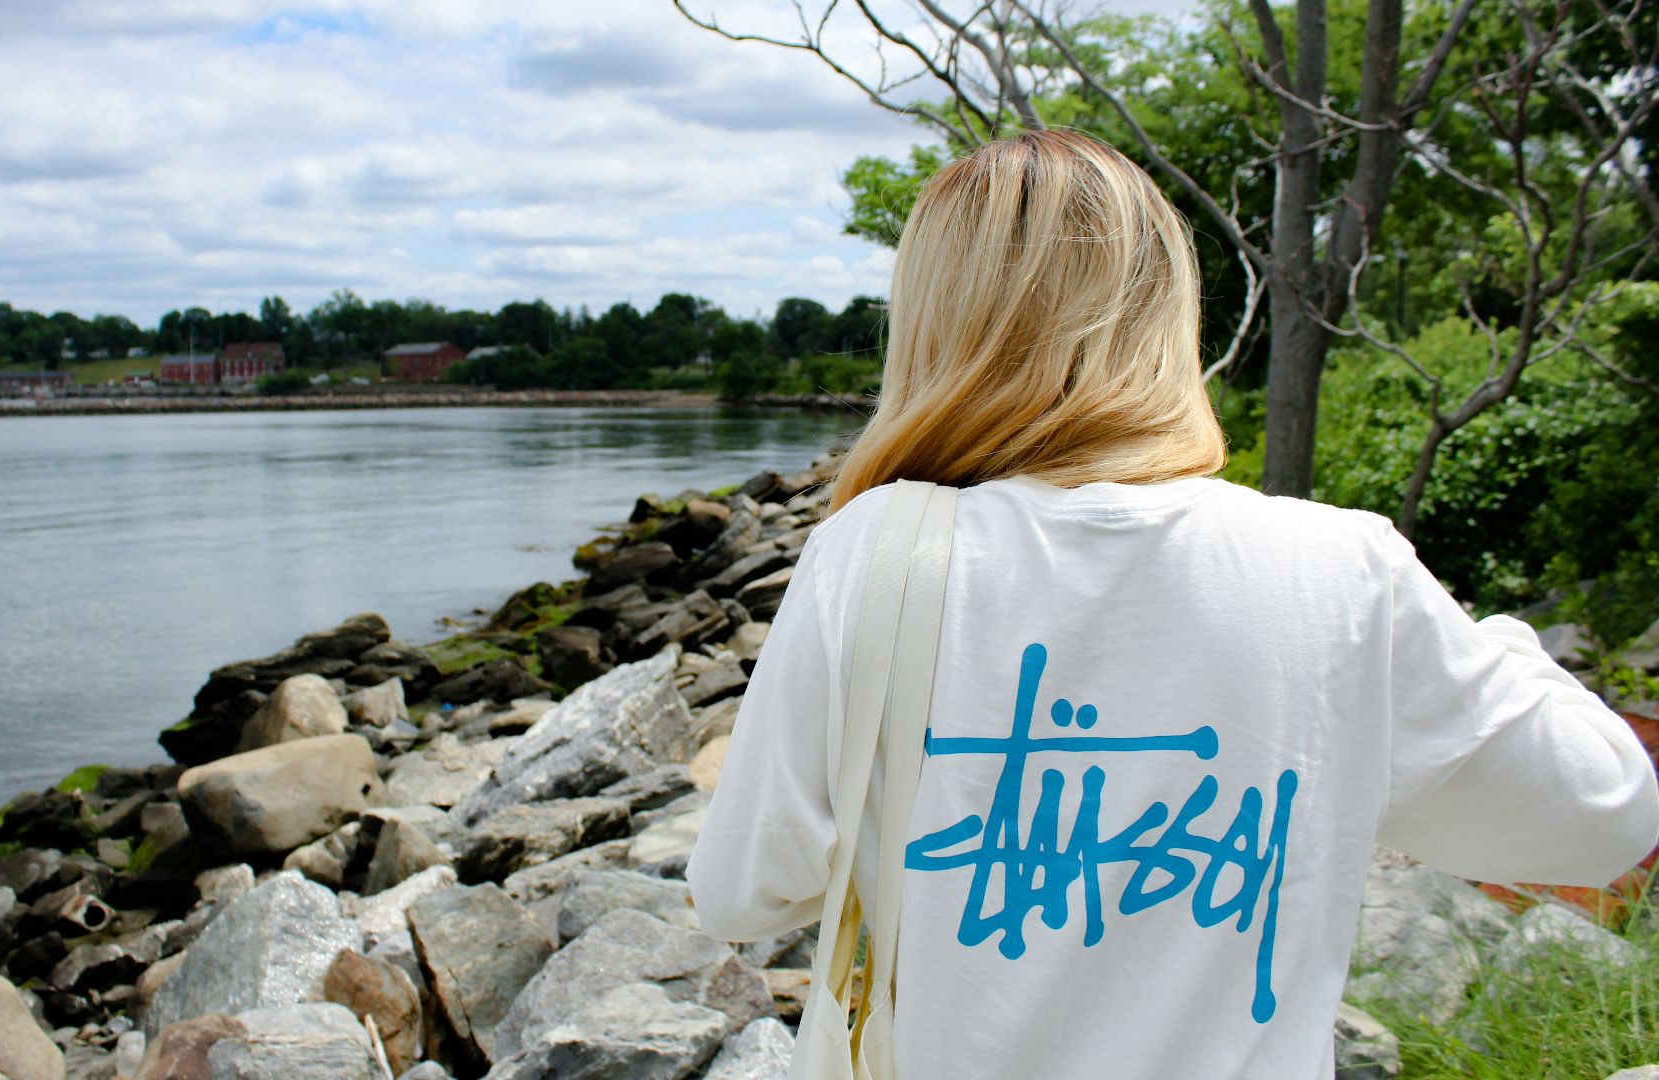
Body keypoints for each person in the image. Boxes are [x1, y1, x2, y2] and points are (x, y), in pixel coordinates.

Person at [684, 132, 1659, 1078]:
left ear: (932, 327)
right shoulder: (1342, 569)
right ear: (1165, 313)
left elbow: (741, 894)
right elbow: (1608, 816)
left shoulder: (873, 550)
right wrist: (1501, 641)